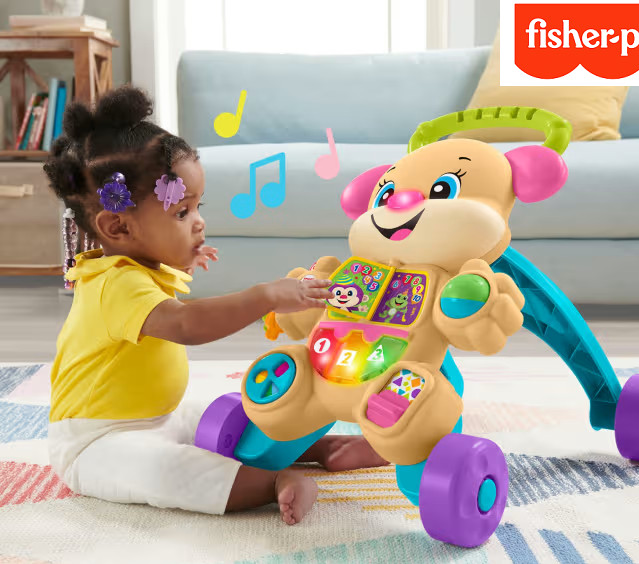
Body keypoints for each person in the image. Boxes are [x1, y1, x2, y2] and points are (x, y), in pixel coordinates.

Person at [44, 85, 387, 526]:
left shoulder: (136, 265)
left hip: (162, 416)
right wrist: (265, 295)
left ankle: (320, 448)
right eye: (181, 213)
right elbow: (186, 324)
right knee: (166, 471)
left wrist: (182, 251)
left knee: (231, 417)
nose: (199, 221)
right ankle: (273, 482)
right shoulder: (116, 284)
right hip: (97, 442)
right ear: (118, 227)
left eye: (197, 206)